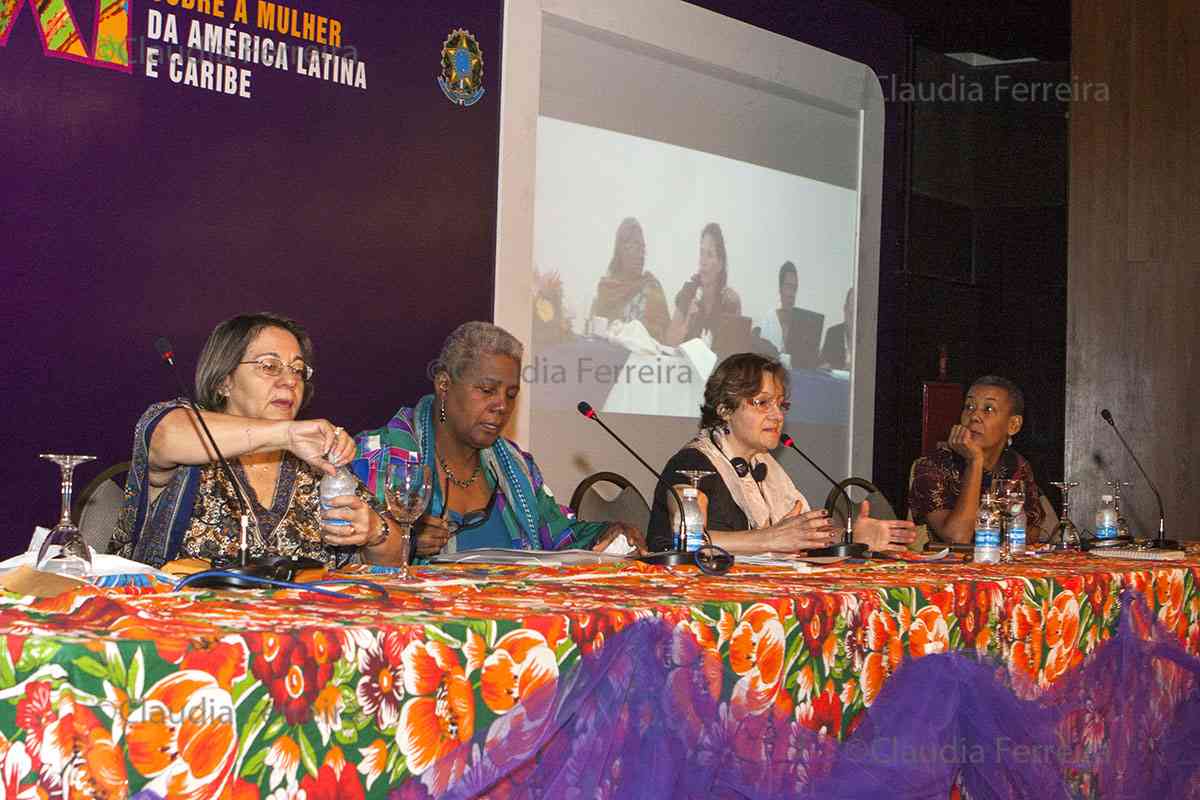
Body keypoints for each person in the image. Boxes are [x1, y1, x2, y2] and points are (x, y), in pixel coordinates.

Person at [110, 313, 398, 568]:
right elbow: (164, 434)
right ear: (224, 381)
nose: (290, 381)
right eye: (270, 366)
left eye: (298, 369)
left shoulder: (313, 464)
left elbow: (396, 561)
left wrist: (375, 532)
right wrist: (287, 434)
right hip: (173, 620)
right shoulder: (185, 430)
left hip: (298, 624)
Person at [354, 321, 645, 560]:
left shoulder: (517, 466)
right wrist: (401, 540)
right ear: (444, 385)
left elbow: (559, 536)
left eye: (511, 394)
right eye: (486, 390)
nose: (501, 406)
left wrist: (608, 532)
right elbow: (335, 559)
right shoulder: (378, 457)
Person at [647, 353, 916, 554]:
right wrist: (770, 538)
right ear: (724, 410)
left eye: (781, 404)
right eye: (762, 403)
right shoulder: (692, 464)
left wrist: (851, 537)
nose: (777, 415)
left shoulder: (765, 467)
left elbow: (797, 536)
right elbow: (684, 539)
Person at [909, 376, 1047, 544]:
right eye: (969, 407)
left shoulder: (1017, 465)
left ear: (1013, 425)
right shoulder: (933, 466)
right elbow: (958, 537)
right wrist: (975, 462)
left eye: (988, 409)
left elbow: (1032, 533)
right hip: (945, 567)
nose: (974, 416)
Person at [589, 217, 671, 342]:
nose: (641, 255)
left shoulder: (651, 289)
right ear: (621, 250)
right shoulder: (606, 290)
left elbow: (664, 339)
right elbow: (596, 335)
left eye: (643, 249)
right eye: (636, 248)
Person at [665, 222, 743, 346]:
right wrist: (687, 323)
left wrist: (737, 307)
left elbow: (735, 351)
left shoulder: (729, 301)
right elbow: (669, 343)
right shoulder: (688, 292)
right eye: (701, 253)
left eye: (709, 255)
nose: (703, 261)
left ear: (720, 265)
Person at [757, 261, 799, 353]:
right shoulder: (769, 319)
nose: (791, 294)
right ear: (780, 288)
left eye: (794, 288)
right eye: (788, 287)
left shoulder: (800, 323)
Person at [819, 286, 854, 370]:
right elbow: (822, 365)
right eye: (851, 314)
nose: (853, 321)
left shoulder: (868, 338)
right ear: (845, 310)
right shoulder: (833, 333)